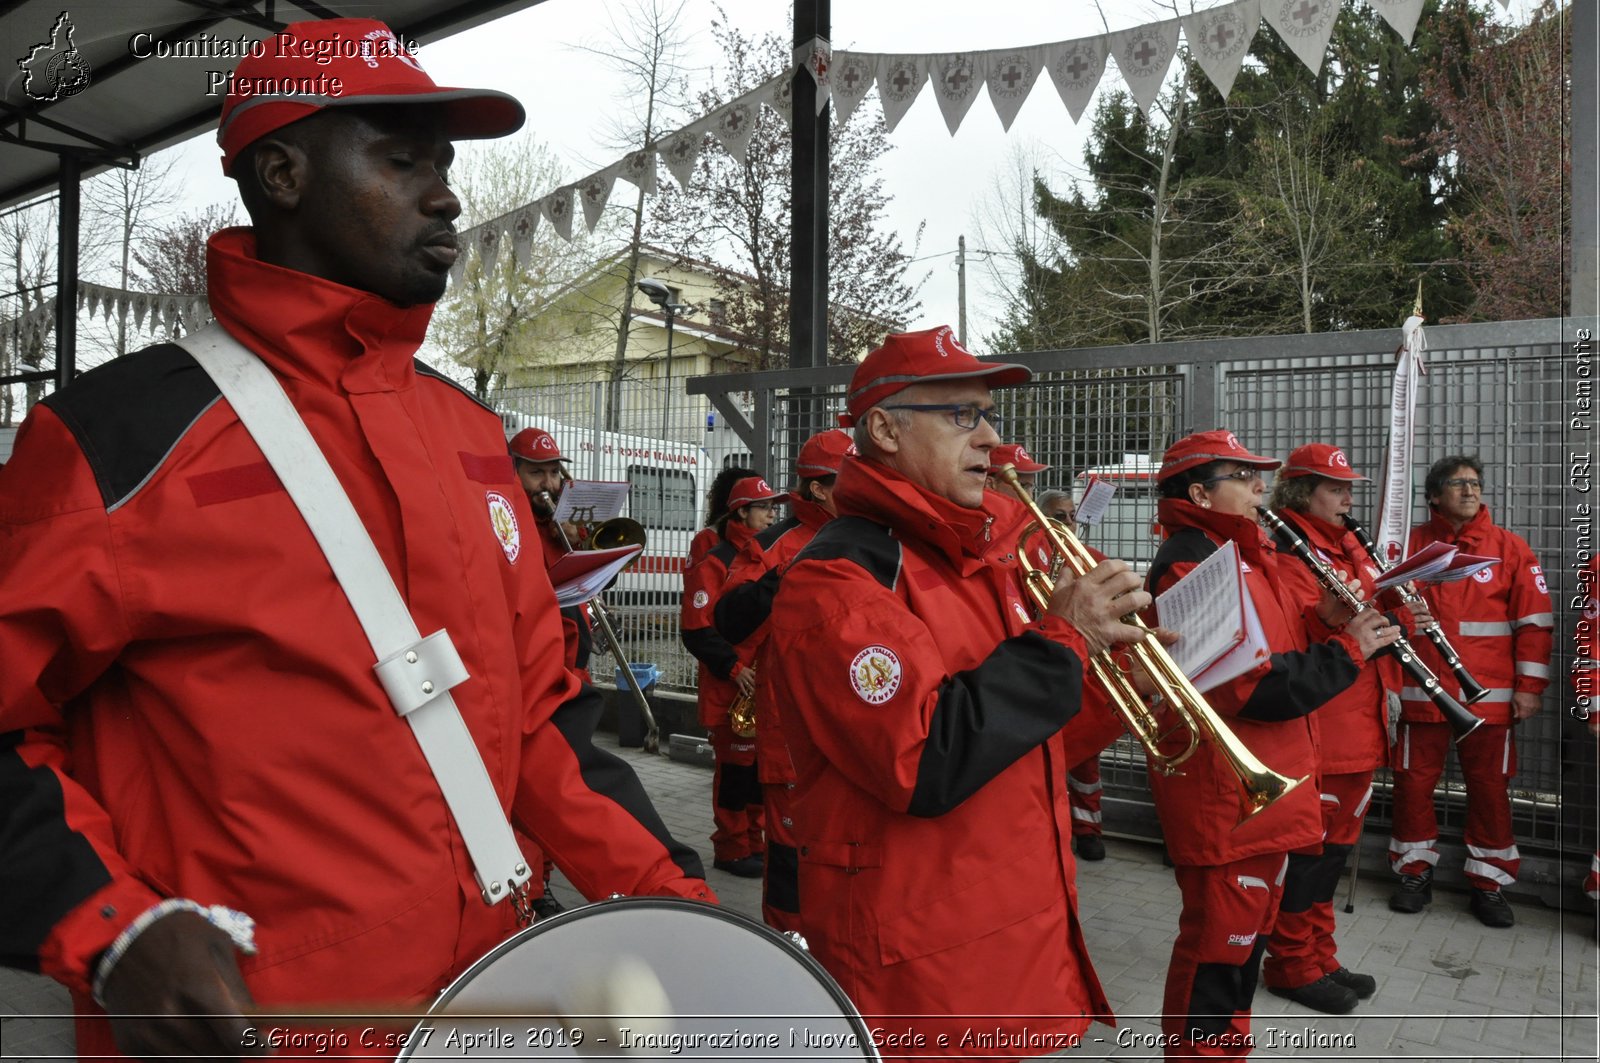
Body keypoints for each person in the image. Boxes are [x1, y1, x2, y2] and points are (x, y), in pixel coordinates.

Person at [0, 20, 713, 1060]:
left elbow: (539, 723)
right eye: (402, 158)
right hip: (259, 1029)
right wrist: (111, 927)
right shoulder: (115, 439)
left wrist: (674, 904)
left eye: (447, 165)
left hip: (493, 1006)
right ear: (280, 173)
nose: (447, 194)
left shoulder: (471, 439)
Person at [763, 325, 1151, 1057]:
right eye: (961, 416)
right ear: (882, 429)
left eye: (990, 416)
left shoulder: (972, 561)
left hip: (1007, 945)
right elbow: (927, 759)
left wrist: (1124, 684)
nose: (992, 442)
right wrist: (1063, 641)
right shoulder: (840, 581)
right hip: (926, 978)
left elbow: (1024, 744)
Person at [1145, 430, 1397, 1060]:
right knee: (1217, 957)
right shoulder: (1191, 562)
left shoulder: (1244, 553)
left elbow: (1281, 640)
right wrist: (1349, 650)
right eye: (1244, 475)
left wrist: (1328, 622)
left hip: (1264, 799)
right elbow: (1252, 691)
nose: (1262, 487)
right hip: (1226, 803)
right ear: (1200, 491)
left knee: (1241, 954)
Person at [1260, 443, 1415, 1014]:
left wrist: (1404, 618)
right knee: (1309, 855)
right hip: (1326, 726)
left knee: (1332, 854)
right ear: (1302, 491)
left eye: (1349, 487)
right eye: (1336, 488)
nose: (1349, 498)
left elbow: (1368, 617)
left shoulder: (1345, 543)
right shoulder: (1288, 550)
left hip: (1360, 722)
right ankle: (1291, 964)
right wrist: (1383, 622)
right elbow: (1315, 638)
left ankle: (1320, 954)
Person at [1388, 455, 1553, 927]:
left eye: (1475, 483)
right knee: (1412, 785)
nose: (1469, 490)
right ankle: (1413, 872)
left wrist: (1529, 688)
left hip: (1492, 699)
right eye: (1457, 484)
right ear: (1434, 495)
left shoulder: (1510, 549)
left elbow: (1535, 625)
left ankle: (1489, 882)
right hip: (1419, 694)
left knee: (1490, 790)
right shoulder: (1404, 547)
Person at [713, 428, 852, 932]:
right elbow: (727, 619)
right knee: (792, 856)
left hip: (854, 726)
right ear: (819, 488)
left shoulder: (874, 535)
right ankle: (790, 950)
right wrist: (785, 579)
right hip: (791, 731)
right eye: (851, 478)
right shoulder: (775, 546)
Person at [681, 474, 784, 877]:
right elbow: (696, 628)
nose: (771, 515)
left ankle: (753, 842)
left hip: (763, 685)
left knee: (758, 774)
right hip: (732, 686)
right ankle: (730, 847)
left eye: (772, 508)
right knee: (734, 776)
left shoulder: (767, 557)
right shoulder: (716, 560)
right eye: (764, 508)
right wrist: (734, 668)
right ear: (742, 511)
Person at [1037, 485, 1114, 862]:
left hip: (1090, 669)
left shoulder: (1091, 557)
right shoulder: (1029, 556)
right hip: (1049, 666)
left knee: (1087, 759)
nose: (1068, 522)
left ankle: (1088, 830)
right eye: (1058, 517)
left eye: (1071, 515)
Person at [510, 427, 594, 682]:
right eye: (536, 472)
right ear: (513, 473)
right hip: (537, 666)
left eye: (554, 472)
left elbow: (601, 579)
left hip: (573, 663)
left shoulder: (566, 517)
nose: (549, 483)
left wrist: (580, 542)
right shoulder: (512, 521)